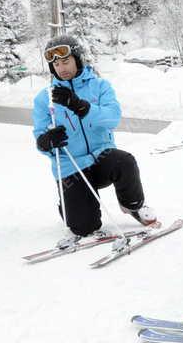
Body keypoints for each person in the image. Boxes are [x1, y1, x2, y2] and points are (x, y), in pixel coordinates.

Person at [32, 35, 157, 239]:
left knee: (124, 161)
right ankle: (69, 204)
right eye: (56, 64)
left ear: (77, 59)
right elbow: (39, 137)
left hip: (101, 157)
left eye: (66, 61)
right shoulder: (44, 98)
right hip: (71, 165)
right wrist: (46, 141)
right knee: (84, 227)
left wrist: (81, 106)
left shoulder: (100, 86)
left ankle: (133, 206)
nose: (61, 68)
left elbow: (113, 118)